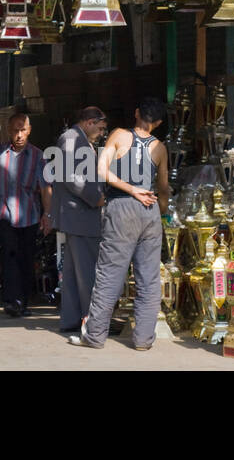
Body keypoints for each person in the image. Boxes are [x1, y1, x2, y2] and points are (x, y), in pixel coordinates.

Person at [72, 96, 169, 351]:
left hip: (121, 209)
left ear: (136, 113)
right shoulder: (159, 148)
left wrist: (130, 190)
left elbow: (101, 170)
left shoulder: (118, 135)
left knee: (109, 274)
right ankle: (143, 340)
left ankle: (94, 337)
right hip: (149, 211)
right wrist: (158, 207)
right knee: (148, 278)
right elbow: (164, 188)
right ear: (157, 122)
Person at [0, 112, 50, 318]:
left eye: (23, 130)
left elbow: (46, 188)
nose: (19, 135)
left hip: (29, 216)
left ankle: (23, 301)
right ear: (8, 131)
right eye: (15, 131)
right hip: (4, 215)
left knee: (26, 259)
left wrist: (48, 215)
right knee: (9, 256)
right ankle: (11, 301)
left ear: (29, 131)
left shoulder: (39, 156)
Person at [46, 107, 107, 334]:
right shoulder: (71, 139)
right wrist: (95, 198)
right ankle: (92, 322)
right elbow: (69, 175)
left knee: (74, 273)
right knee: (87, 271)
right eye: (100, 127)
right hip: (80, 214)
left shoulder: (77, 140)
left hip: (78, 215)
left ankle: (73, 319)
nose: (101, 132)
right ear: (89, 122)